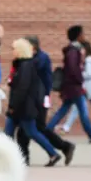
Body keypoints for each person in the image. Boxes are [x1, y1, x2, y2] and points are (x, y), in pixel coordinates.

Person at [16, 36, 75, 166]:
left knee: (33, 129)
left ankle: (61, 148)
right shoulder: (35, 58)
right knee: (30, 129)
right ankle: (63, 147)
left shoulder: (41, 58)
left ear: (33, 47)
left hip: (39, 98)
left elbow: (32, 71)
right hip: (35, 98)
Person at [4, 38, 62, 165]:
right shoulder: (22, 64)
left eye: (14, 49)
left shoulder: (26, 66)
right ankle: (53, 154)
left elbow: (22, 88)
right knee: (10, 132)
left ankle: (53, 153)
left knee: (31, 132)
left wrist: (13, 106)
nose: (12, 51)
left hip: (24, 107)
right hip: (22, 106)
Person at [45, 25, 91, 144]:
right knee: (83, 112)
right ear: (78, 36)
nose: (84, 36)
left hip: (71, 87)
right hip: (75, 87)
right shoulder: (73, 51)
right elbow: (73, 69)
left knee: (63, 110)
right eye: (83, 33)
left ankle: (47, 130)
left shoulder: (73, 50)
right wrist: (80, 80)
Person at [58, 41, 91, 137]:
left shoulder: (89, 60)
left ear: (86, 50)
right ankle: (66, 127)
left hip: (89, 88)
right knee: (76, 108)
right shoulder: (88, 60)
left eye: (81, 49)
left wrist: (78, 75)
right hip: (88, 88)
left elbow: (89, 74)